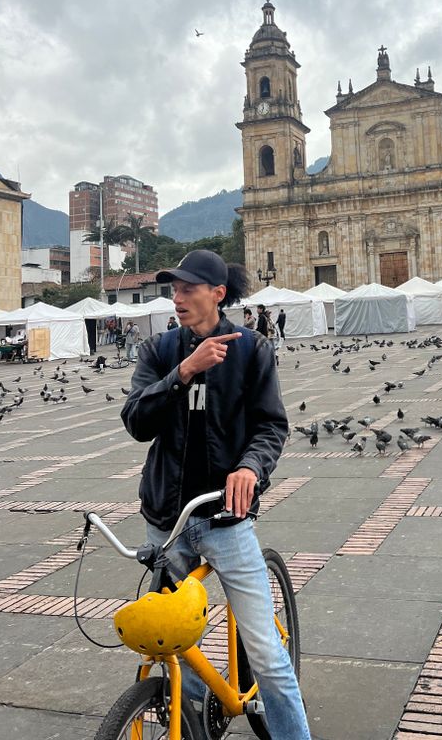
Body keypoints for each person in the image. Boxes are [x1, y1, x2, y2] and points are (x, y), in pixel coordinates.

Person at [121, 250, 310, 738]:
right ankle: (196, 722)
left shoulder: (252, 349)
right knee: (175, 644)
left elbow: (271, 425)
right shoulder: (160, 350)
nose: (177, 297)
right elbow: (137, 422)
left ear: (217, 294)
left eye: (188, 288)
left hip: (226, 519)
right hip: (168, 519)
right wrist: (182, 373)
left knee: (267, 653)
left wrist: (250, 468)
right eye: (174, 289)